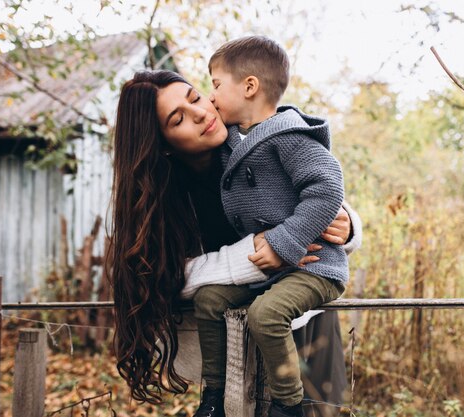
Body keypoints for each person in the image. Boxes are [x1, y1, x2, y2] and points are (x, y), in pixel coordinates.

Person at [108, 69, 360, 414]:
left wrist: (347, 228)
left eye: (195, 97)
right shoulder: (161, 196)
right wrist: (257, 252)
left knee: (316, 409)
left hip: (305, 323)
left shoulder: (255, 138)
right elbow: (162, 276)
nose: (200, 113)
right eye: (178, 118)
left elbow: (320, 196)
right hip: (227, 342)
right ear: (162, 145)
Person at [188, 35, 349, 417]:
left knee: (266, 315)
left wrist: (285, 240)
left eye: (215, 85)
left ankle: (289, 404)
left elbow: (327, 188)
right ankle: (213, 397)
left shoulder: (288, 136)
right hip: (268, 270)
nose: (210, 98)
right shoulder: (233, 141)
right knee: (208, 301)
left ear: (249, 86)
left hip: (313, 266)